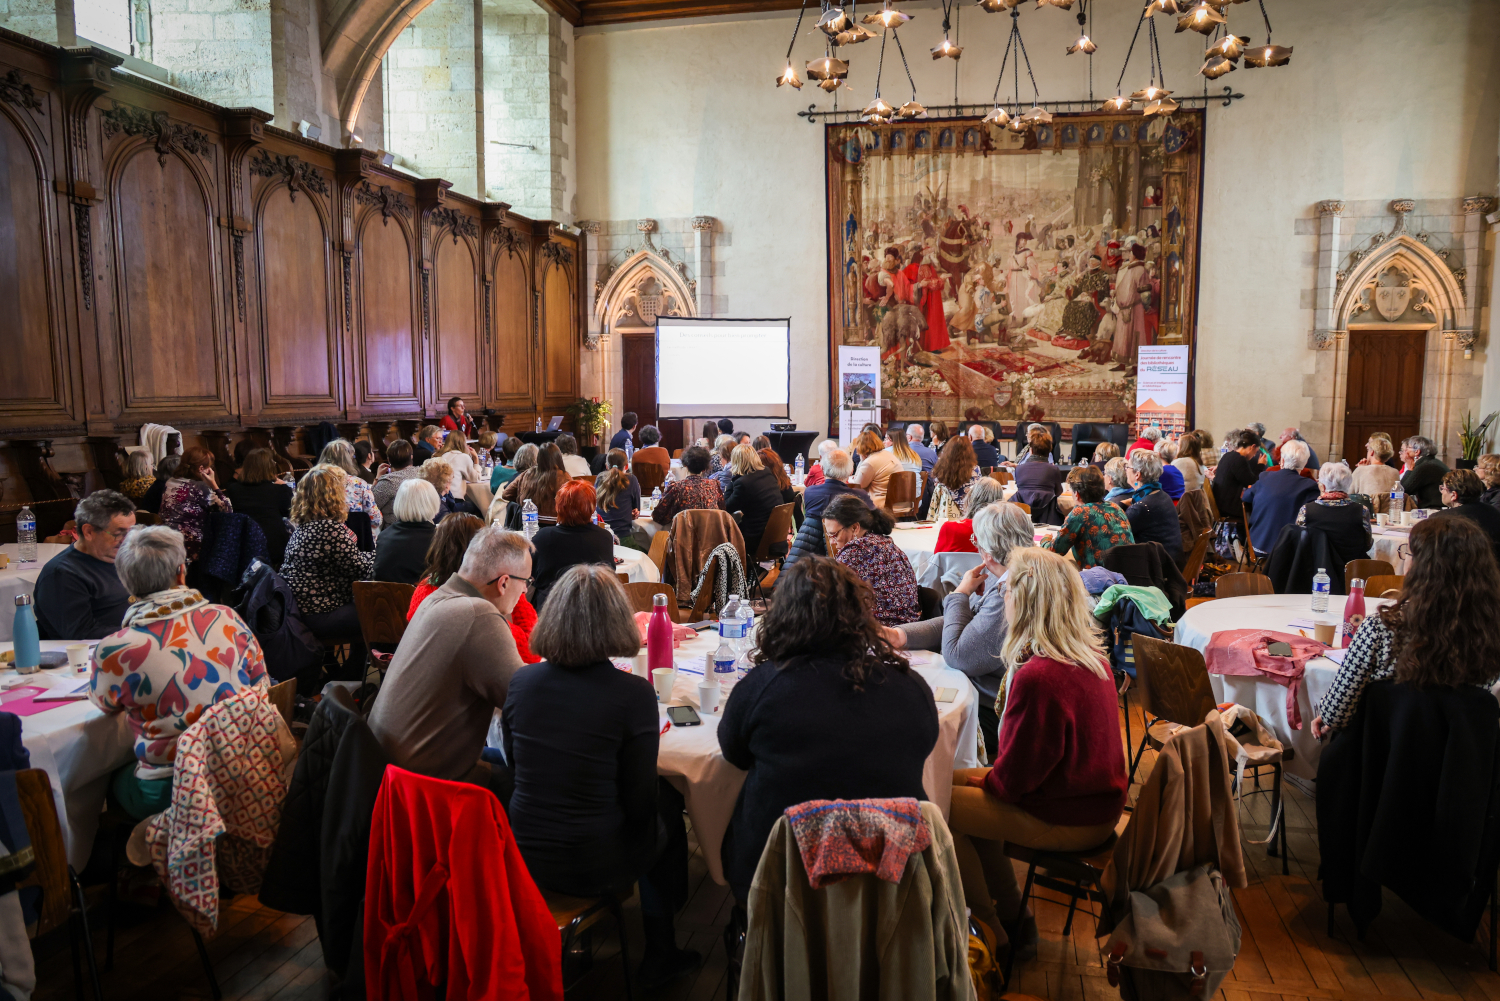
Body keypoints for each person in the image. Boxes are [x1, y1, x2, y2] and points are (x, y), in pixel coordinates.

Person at [504, 566, 700, 987]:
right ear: (617, 621)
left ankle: (592, 944)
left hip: (521, 855)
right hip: (593, 864)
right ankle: (661, 950)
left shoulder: (521, 681)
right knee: (663, 807)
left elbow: (517, 767)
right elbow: (639, 803)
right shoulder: (631, 694)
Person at [717, 556, 939, 900]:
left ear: (782, 617)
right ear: (861, 617)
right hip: (891, 873)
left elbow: (734, 754)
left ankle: (746, 938)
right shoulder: (910, 688)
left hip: (782, 873)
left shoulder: (763, 687)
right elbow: (923, 747)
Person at [948, 547, 1127, 949]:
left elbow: (1012, 783)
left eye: (1005, 588)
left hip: (1072, 814)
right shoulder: (1086, 654)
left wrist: (983, 781)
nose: (1000, 594)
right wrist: (983, 779)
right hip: (1095, 799)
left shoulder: (1040, 676)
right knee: (945, 784)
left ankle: (992, 929)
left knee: (936, 808)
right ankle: (1015, 916)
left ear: (1026, 598)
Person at [89, 525, 268, 819]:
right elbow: (261, 682)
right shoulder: (227, 618)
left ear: (125, 581)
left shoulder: (114, 650)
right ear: (181, 572)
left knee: (102, 776)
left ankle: (139, 852)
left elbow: (103, 706)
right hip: (245, 769)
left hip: (174, 788)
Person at [1313, 516, 1500, 739]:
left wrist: (1326, 714)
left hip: (1380, 756)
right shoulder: (1490, 631)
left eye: (1408, 553)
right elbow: (1475, 704)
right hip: (1458, 762)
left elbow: (1336, 713)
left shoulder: (1381, 628)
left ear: (1422, 566)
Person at [369, 526, 530, 785]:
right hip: (424, 786)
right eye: (526, 582)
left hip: (389, 770)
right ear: (504, 583)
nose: (524, 592)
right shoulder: (479, 615)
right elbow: (525, 700)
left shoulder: (438, 597)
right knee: (538, 789)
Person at [892, 502, 1033, 756]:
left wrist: (960, 594)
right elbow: (963, 627)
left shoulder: (1011, 591)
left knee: (909, 714)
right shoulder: (1011, 574)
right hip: (994, 696)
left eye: (975, 540)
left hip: (996, 710)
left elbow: (959, 656)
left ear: (987, 552)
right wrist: (900, 635)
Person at [280, 465, 374, 649]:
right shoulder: (329, 529)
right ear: (333, 496)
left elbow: (350, 561)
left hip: (301, 610)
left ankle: (348, 671)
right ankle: (354, 671)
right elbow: (362, 569)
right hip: (320, 613)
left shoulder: (304, 526)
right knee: (380, 612)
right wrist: (381, 555)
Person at [34, 490, 135, 640]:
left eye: (131, 532)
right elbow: (81, 633)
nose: (127, 540)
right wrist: (141, 631)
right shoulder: (63, 574)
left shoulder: (123, 557)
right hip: (91, 655)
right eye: (118, 533)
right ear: (88, 531)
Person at [823, 495, 919, 625]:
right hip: (908, 627)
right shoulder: (884, 542)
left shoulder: (856, 550)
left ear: (854, 528)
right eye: (829, 536)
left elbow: (829, 596)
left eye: (835, 535)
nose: (833, 542)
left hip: (881, 631)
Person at [529, 479, 615, 608]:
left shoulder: (543, 538)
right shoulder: (604, 537)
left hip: (551, 613)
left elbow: (531, 577)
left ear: (558, 507)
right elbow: (610, 575)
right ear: (592, 508)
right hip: (593, 612)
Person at [787, 449, 871, 564]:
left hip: (810, 556)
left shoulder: (809, 492)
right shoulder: (858, 496)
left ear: (821, 470)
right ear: (851, 471)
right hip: (848, 556)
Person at [159, 445, 232, 568]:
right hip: (190, 545)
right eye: (210, 466)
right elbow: (228, 510)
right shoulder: (199, 487)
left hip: (167, 538)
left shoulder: (171, 481)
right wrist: (214, 484)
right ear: (201, 468)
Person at [1241, 439, 1318, 556]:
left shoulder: (1265, 477)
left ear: (1282, 460)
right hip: (1289, 551)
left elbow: (1246, 498)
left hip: (1256, 545)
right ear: (1305, 463)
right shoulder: (1309, 487)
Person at [1051, 465, 1133, 568]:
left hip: (1100, 578)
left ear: (1076, 494)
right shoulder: (1116, 508)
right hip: (1127, 574)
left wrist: (1045, 540)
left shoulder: (1081, 512)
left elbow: (1054, 550)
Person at [1296, 462, 1373, 572]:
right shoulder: (1362, 511)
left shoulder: (1307, 510)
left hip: (1316, 570)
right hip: (1351, 571)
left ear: (1322, 486)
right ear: (1348, 485)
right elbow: (1368, 544)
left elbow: (1300, 543)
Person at [226, 447, 295, 565]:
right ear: (269, 467)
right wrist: (284, 486)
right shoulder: (279, 490)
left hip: (244, 543)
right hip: (273, 544)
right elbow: (288, 513)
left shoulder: (233, 489)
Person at [372, 479, 441, 585]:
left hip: (382, 599)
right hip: (421, 599)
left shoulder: (384, 536)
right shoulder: (439, 539)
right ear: (432, 502)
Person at [1122, 448, 1183, 564]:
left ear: (1137, 475)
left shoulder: (1141, 507)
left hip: (1158, 570)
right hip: (1172, 562)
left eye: (1128, 467)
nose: (1125, 470)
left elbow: (1117, 533)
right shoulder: (1162, 495)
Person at [724, 444, 784, 558]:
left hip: (757, 538)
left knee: (723, 536)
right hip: (775, 535)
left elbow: (726, 507)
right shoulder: (766, 473)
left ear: (736, 462)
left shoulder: (743, 483)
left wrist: (733, 479)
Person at [1432, 468, 1500, 564]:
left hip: (1456, 573)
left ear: (1453, 495)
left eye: (1443, 488)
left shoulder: (1440, 518)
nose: (1442, 492)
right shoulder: (1493, 512)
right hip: (1492, 572)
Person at [651, 445, 724, 526]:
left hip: (684, 535)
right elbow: (722, 511)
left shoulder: (677, 487)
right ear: (704, 468)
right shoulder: (714, 485)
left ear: (686, 465)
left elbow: (657, 516)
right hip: (710, 534)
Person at [318, 440, 382, 533]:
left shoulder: (313, 482)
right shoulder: (359, 484)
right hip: (357, 539)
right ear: (349, 460)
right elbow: (376, 520)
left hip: (320, 537)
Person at [934, 478, 1008, 553]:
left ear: (971, 498)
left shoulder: (949, 528)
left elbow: (937, 560)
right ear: (1001, 501)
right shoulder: (1005, 532)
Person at [501, 442, 570, 520]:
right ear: (559, 457)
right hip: (557, 524)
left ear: (538, 457)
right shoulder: (564, 476)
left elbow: (506, 494)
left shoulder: (528, 473)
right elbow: (574, 499)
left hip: (529, 523)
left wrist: (523, 500)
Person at [1012, 428, 1066, 525]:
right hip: (1049, 519)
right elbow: (1058, 492)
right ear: (1049, 451)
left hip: (1022, 519)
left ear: (1031, 451)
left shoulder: (1019, 469)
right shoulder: (1053, 470)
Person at [1212, 429, 1266, 525]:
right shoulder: (1239, 459)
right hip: (1227, 506)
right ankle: (1249, 538)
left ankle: (1244, 538)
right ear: (1252, 447)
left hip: (1219, 502)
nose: (1254, 456)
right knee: (1260, 509)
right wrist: (1261, 466)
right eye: (1255, 452)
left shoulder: (1227, 455)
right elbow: (1252, 482)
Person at [931, 435, 982, 521]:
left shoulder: (940, 469)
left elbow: (937, 488)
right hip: (968, 514)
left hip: (945, 513)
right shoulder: (975, 469)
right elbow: (978, 491)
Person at [372, 439, 422, 526]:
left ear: (388, 460)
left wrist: (377, 478)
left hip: (396, 530)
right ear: (411, 456)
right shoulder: (422, 474)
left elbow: (372, 504)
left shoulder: (388, 482)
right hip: (422, 525)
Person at [595, 449, 641, 541]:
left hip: (601, 536)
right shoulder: (631, 479)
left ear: (607, 466)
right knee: (645, 551)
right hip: (623, 536)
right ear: (627, 466)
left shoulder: (600, 478)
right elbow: (637, 508)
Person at [1399, 435, 1449, 509]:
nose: (1405, 451)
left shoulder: (1425, 466)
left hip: (1433, 508)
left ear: (1417, 452)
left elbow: (1403, 490)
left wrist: (1410, 469)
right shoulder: (1431, 462)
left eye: (1408, 448)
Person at [434, 429, 481, 500]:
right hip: (454, 500)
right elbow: (476, 478)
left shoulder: (437, 455)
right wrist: (476, 459)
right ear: (463, 443)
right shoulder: (463, 457)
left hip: (437, 498)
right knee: (478, 505)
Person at [1352, 435, 1401, 502]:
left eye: (1368, 450)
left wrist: (1360, 470)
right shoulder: (1395, 472)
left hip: (1368, 510)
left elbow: (1348, 494)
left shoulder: (1361, 470)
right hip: (1389, 511)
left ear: (1372, 452)